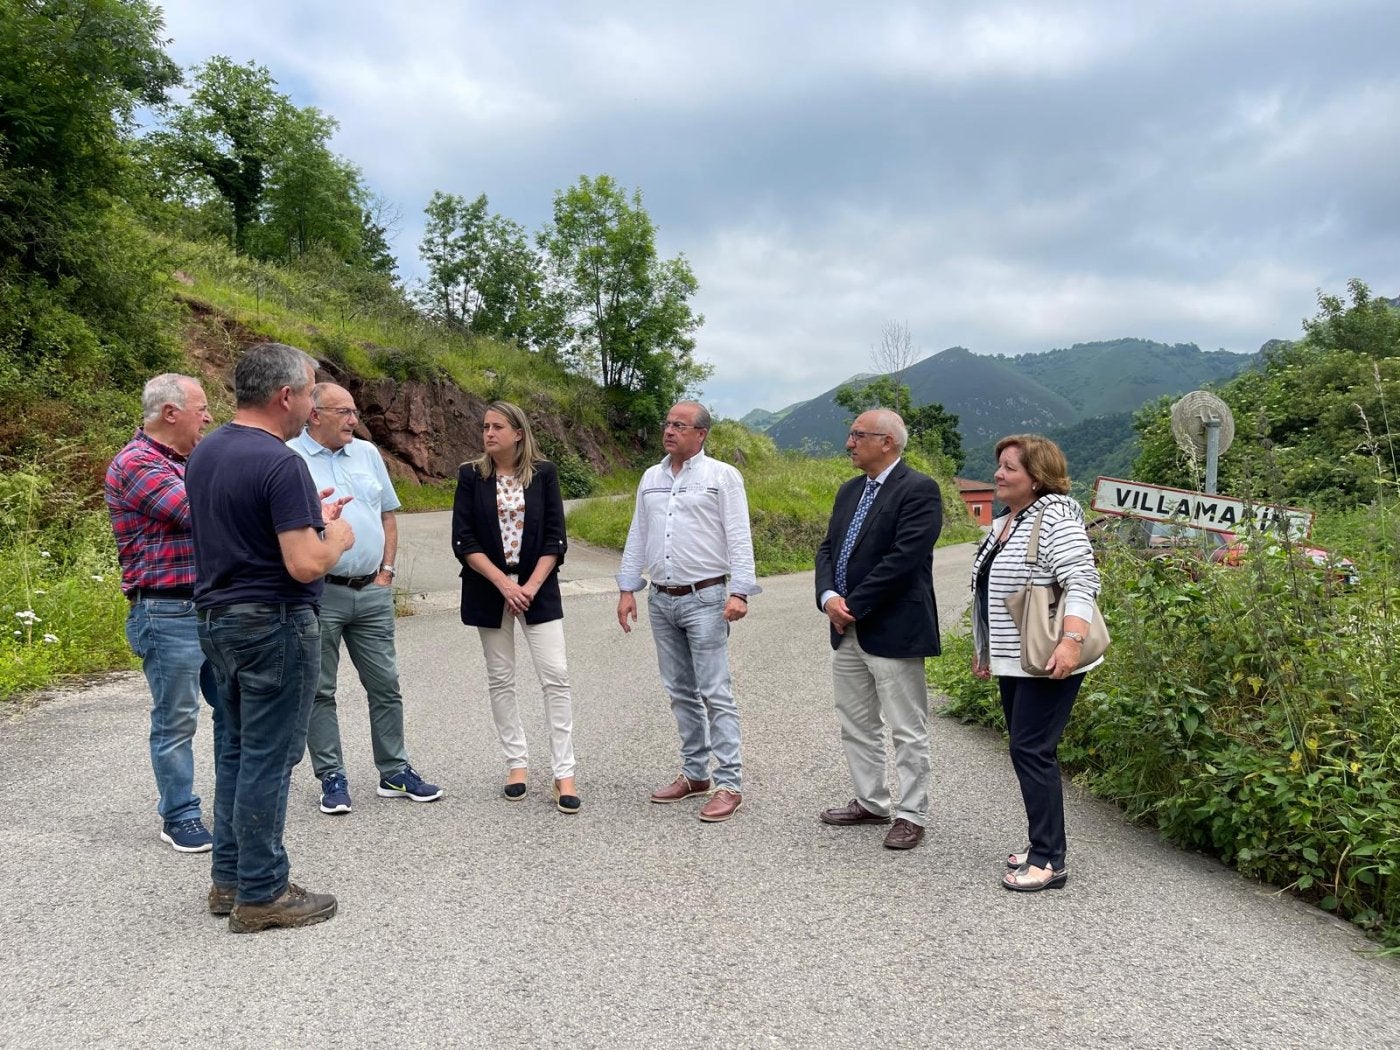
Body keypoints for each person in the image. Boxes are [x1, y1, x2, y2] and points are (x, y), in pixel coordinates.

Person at [187, 342, 355, 933]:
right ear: (285, 395)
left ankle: (229, 879)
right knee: (269, 756)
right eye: (309, 394)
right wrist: (336, 537)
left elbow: (246, 528)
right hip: (274, 622)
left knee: (235, 748)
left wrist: (306, 517)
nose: (312, 407)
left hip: (217, 620)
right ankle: (263, 892)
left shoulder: (207, 451)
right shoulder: (282, 463)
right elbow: (305, 564)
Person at [289, 383, 441, 815]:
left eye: (355, 412)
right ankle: (331, 777)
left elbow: (387, 515)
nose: (354, 420)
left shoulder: (368, 454)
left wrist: (387, 571)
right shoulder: (290, 458)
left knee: (385, 684)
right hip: (319, 592)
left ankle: (394, 771)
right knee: (319, 689)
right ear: (314, 414)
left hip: (372, 591)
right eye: (344, 412)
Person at [970, 434, 1103, 892]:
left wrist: (1071, 642)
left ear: (1037, 477)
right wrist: (986, 652)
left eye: (1010, 467)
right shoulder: (1008, 521)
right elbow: (989, 593)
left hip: (1048, 657)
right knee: (1026, 749)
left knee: (1032, 750)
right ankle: (1041, 844)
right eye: (1000, 465)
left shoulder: (1055, 518)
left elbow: (1082, 579)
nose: (998, 474)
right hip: (1018, 659)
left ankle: (1050, 860)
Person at [616, 400, 760, 824]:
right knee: (680, 691)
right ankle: (696, 774)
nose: (669, 430)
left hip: (706, 598)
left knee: (715, 691)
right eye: (667, 423)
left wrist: (740, 591)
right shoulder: (651, 477)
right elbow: (638, 533)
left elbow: (739, 534)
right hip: (661, 598)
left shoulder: (722, 476)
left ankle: (729, 784)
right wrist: (627, 588)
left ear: (701, 434)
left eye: (680, 425)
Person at [815, 410, 943, 851]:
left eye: (857, 435)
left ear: (887, 441)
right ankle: (871, 801)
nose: (849, 443)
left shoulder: (919, 489)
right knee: (856, 722)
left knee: (907, 727)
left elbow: (905, 558)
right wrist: (828, 597)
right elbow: (828, 549)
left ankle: (912, 814)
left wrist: (852, 605)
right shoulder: (850, 490)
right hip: (846, 627)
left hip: (894, 627)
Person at [105, 374, 218, 854]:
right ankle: (180, 815)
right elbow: (200, 512)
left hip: (210, 606)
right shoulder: (138, 463)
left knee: (233, 706)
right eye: (201, 408)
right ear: (171, 413)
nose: (208, 418)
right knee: (177, 718)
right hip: (167, 611)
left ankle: (232, 801)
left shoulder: (188, 461)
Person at [451, 401, 580, 814]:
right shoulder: (471, 475)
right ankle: (516, 764)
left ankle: (564, 772)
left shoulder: (544, 474)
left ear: (518, 433)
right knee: (501, 678)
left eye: (498, 427)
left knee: (556, 676)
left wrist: (528, 587)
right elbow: (463, 540)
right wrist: (505, 585)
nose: (488, 433)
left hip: (537, 587)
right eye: (485, 426)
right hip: (490, 587)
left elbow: (556, 538)